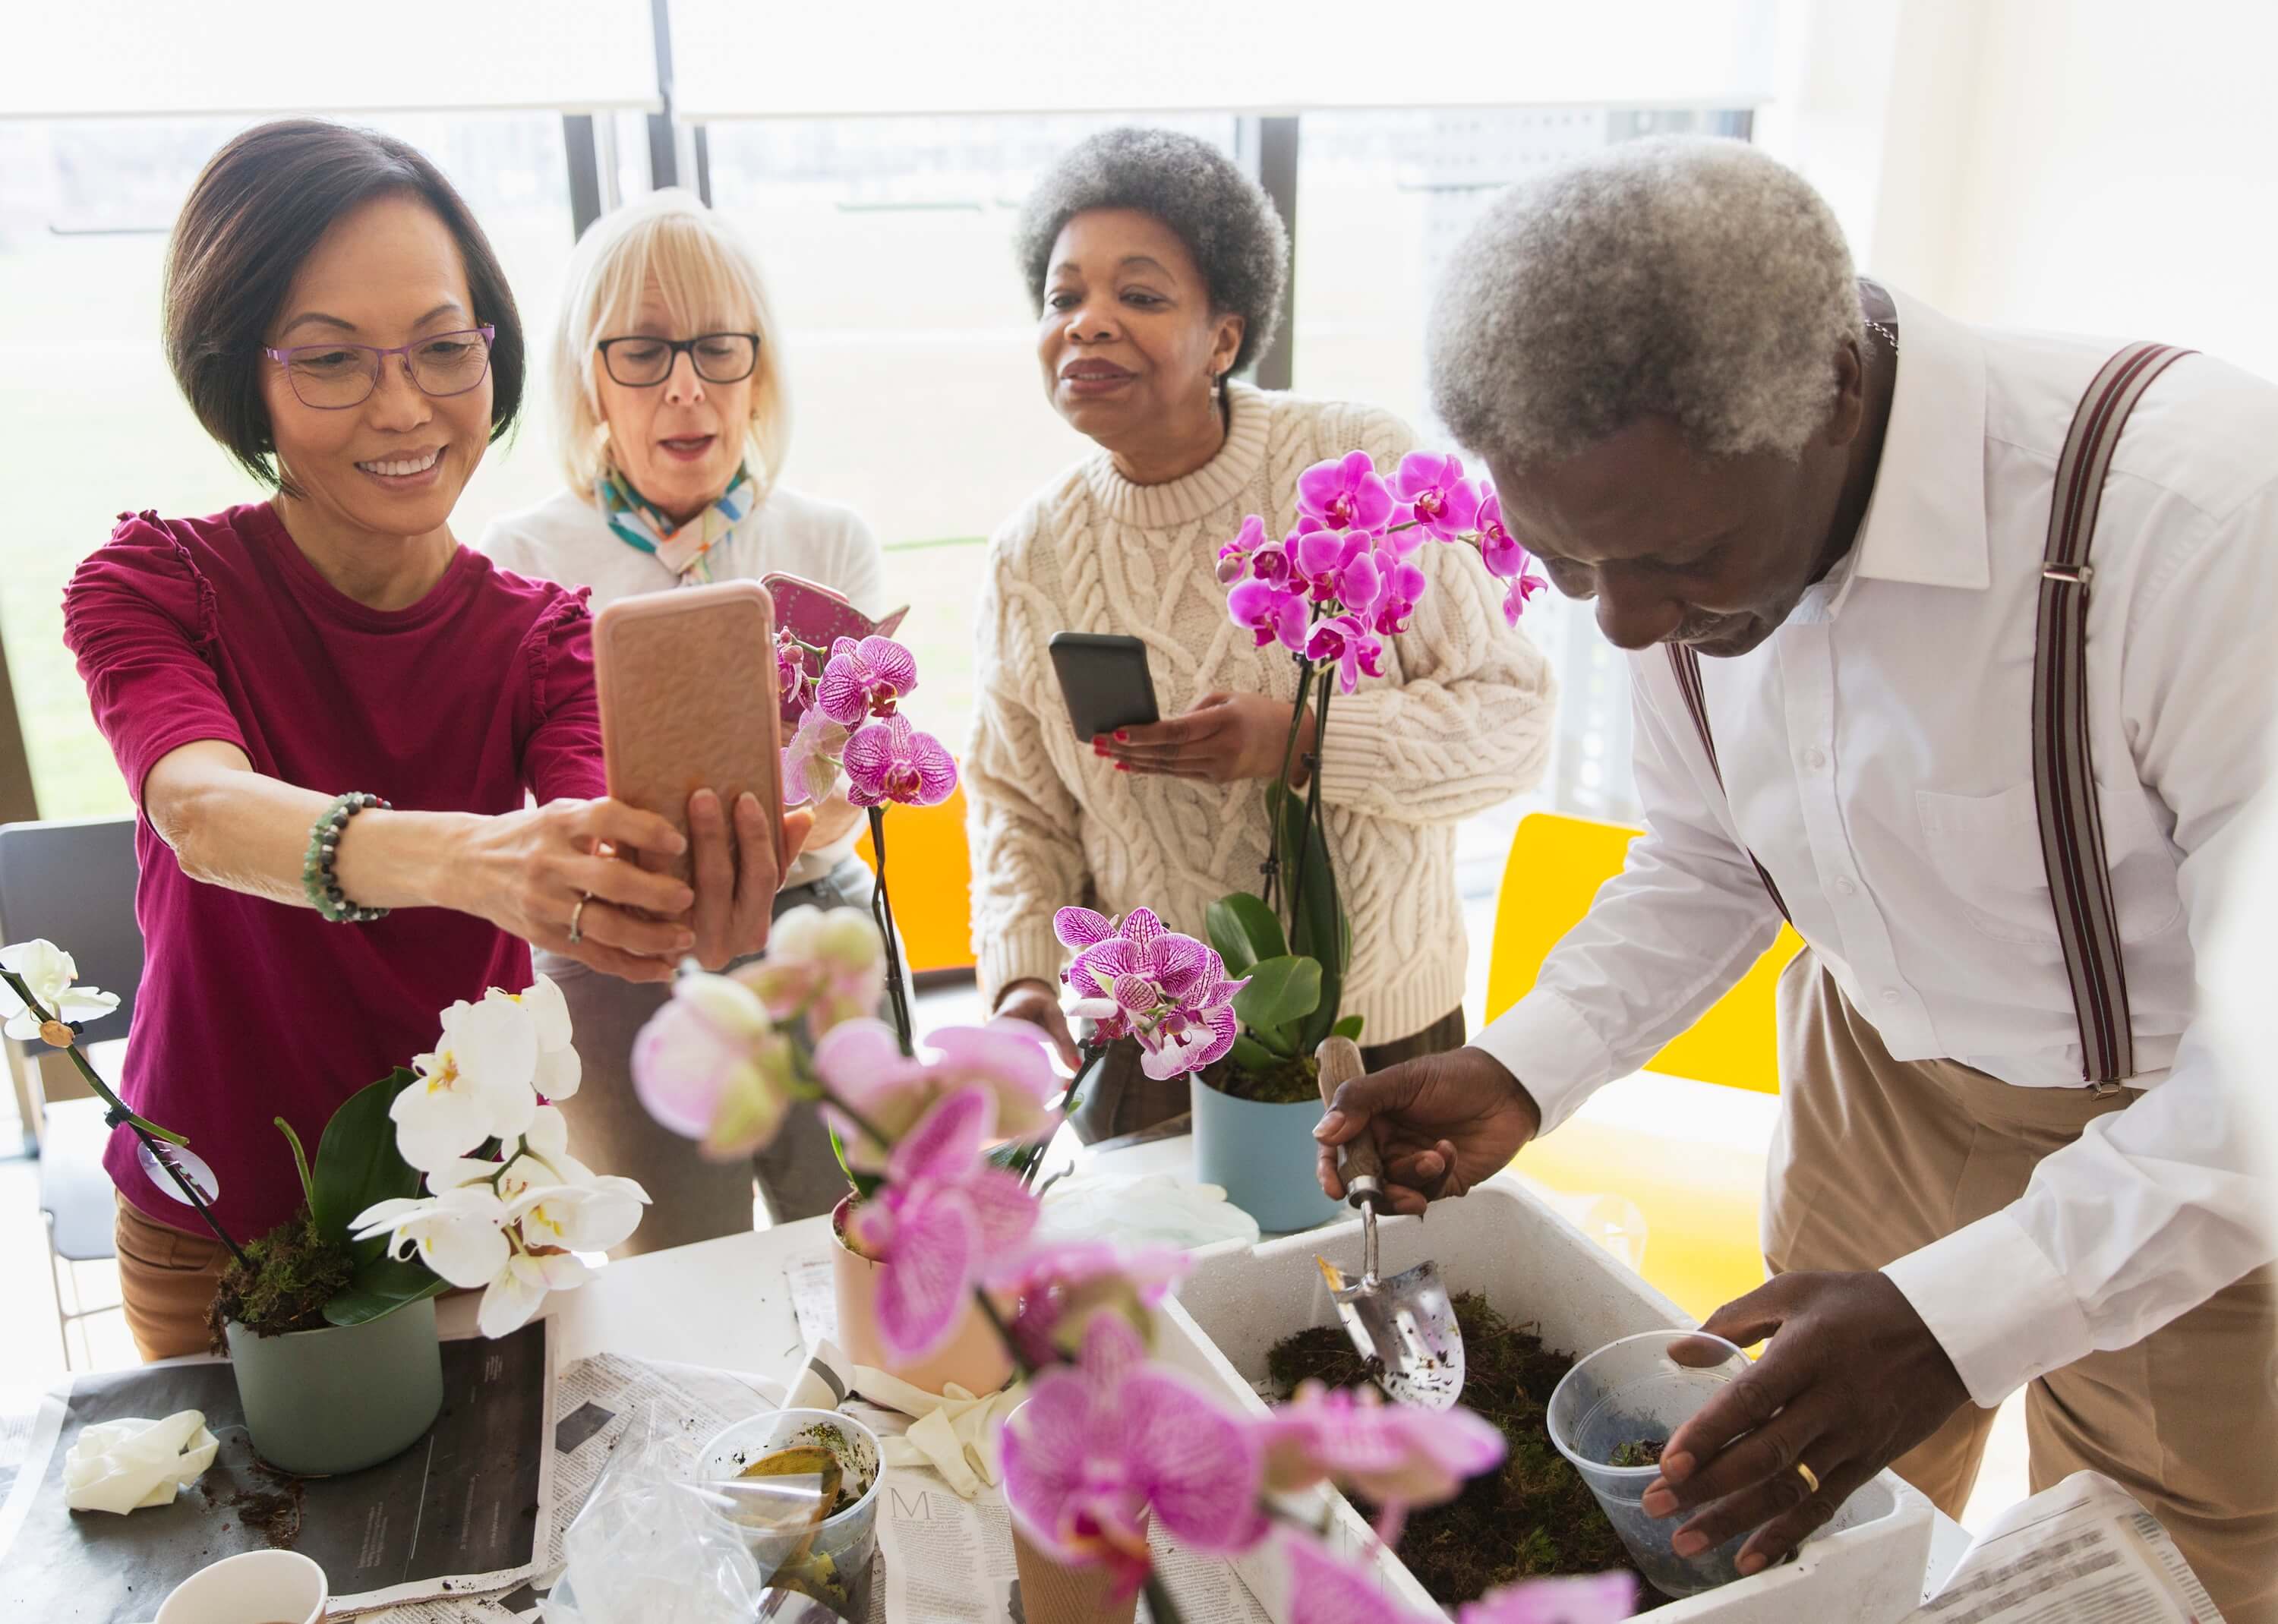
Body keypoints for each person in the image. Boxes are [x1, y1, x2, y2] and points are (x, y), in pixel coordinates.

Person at [1314, 136, 2278, 1621]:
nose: (1628, 627)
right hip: (1877, 1086)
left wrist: (1957, 1316)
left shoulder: (2200, 522)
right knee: (1815, 1531)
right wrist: (1524, 1063)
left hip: (2185, 1134)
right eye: (1572, 571)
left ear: (1833, 390)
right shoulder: (1654, 539)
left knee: (2166, 1570)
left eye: (1674, 558)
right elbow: (1711, 855)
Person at [64, 121, 797, 1361]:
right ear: (246, 374)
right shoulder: (155, 585)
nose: (405, 407)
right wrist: (471, 862)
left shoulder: (551, 639)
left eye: (445, 349)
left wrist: (677, 894)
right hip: (215, 1223)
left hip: (484, 1208)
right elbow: (197, 810)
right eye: (333, 360)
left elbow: (597, 862)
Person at [967, 128, 1553, 1141]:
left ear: (1227, 338)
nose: (1088, 324)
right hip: (1150, 1052)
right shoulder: (1031, 554)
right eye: (1065, 298)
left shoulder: (1355, 462)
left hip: (1379, 1045)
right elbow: (1019, 806)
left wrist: (1303, 740)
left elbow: (1513, 724)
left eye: (1139, 296)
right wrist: (1022, 977)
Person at [482, 189, 888, 1242]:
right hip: (617, 952)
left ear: (761, 371)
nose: (685, 389)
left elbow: (856, 791)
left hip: (811, 919)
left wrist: (818, 811)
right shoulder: (521, 562)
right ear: (587, 377)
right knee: (677, 1267)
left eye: (718, 348)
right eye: (643, 352)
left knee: (864, 1234)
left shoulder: (832, 540)